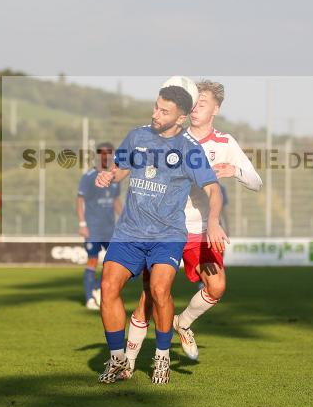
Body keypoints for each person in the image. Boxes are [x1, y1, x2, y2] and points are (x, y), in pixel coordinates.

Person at [125, 80, 262, 369]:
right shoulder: (173, 136)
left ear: (216, 109)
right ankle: (127, 361)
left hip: (201, 230)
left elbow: (256, 182)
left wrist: (234, 170)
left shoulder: (225, 143)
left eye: (203, 103)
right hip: (166, 228)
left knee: (217, 286)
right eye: (194, 103)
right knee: (150, 297)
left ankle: (183, 323)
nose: (196, 108)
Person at [95, 85, 226, 385]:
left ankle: (162, 357)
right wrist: (110, 175)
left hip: (167, 234)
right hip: (129, 231)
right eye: (156, 107)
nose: (155, 114)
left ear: (180, 117)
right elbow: (121, 168)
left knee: (158, 290)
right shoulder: (137, 136)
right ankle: (117, 360)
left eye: (164, 111)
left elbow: (213, 189)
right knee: (108, 286)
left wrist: (213, 221)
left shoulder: (189, 150)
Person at [76, 142, 122, 309]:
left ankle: (97, 288)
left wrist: (124, 218)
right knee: (93, 260)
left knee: (115, 261)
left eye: (108, 152)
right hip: (93, 227)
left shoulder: (115, 177)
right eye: (101, 152)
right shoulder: (89, 176)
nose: (105, 155)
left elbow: (115, 200)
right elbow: (79, 200)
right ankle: (89, 298)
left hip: (110, 228)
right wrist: (82, 224)